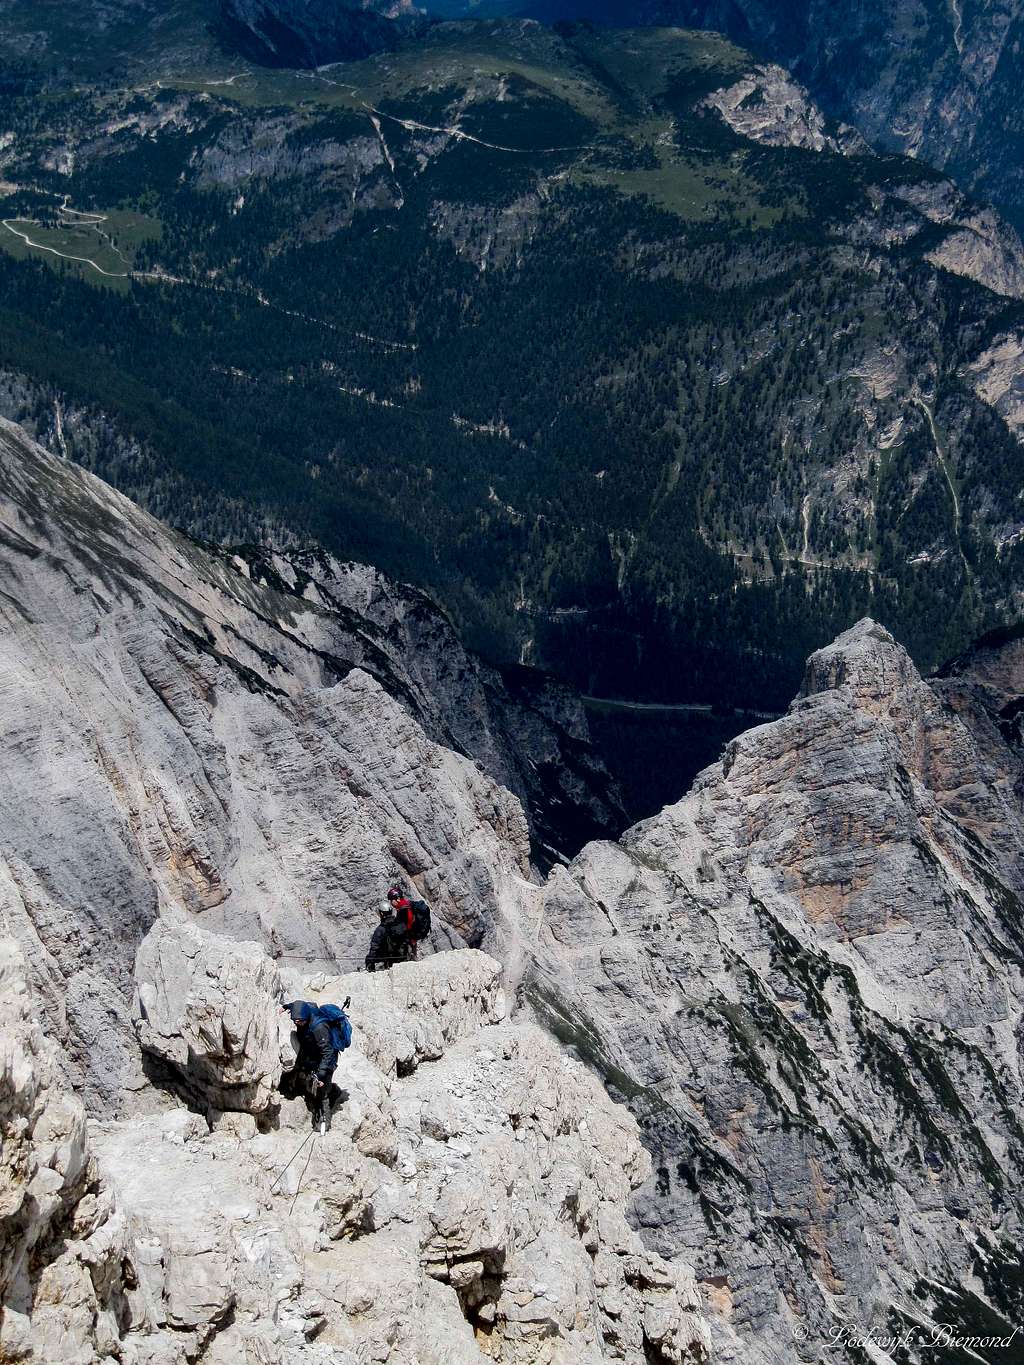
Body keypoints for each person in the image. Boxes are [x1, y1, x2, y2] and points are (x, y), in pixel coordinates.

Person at [281, 1000, 347, 1129]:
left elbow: (327, 1052)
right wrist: (286, 1007)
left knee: (322, 1091)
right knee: (306, 1080)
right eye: (295, 1020)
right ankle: (327, 1091)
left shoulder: (319, 1028)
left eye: (300, 1021)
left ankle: (323, 1120)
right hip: (312, 1053)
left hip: (326, 1059)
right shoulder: (306, 1010)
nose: (297, 1023)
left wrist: (322, 1073)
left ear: (306, 1017)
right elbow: (297, 1005)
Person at [386, 885, 432, 960]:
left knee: (409, 957)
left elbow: (407, 924)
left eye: (391, 900)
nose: (391, 902)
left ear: (397, 899)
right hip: (412, 937)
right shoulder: (407, 904)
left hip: (410, 938)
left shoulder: (403, 908)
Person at [364, 902, 409, 972]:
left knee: (369, 958)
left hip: (388, 957)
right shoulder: (399, 923)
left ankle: (371, 971)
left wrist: (370, 961)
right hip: (402, 955)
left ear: (381, 914)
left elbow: (374, 947)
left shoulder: (381, 929)